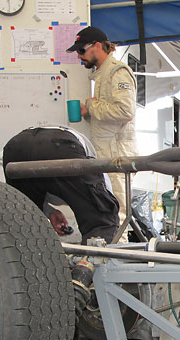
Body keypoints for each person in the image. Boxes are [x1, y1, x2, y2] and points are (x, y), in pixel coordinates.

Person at [67, 26, 137, 243]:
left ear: (97, 46)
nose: (79, 56)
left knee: (118, 217)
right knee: (111, 216)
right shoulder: (102, 76)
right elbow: (109, 115)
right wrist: (91, 112)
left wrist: (92, 106)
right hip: (107, 158)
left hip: (118, 158)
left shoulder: (117, 72)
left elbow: (125, 111)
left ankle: (121, 272)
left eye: (81, 50)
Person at [2, 126, 120, 245]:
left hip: (16, 147)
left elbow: (29, 200)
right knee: (102, 221)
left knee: (25, 217)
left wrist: (49, 212)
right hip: (59, 145)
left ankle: (27, 262)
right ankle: (88, 262)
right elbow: (102, 203)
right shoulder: (95, 170)